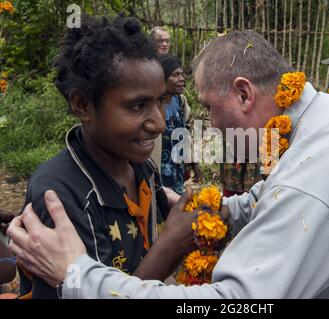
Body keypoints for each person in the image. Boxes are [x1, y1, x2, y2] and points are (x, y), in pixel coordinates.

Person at [8, 30, 329, 298]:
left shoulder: (322, 159)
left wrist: (77, 274)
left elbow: (241, 300)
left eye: (207, 107)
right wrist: (216, 210)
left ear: (243, 94)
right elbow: (269, 198)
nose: (164, 124)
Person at [11, 14, 197, 299]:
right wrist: (172, 243)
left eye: (160, 101)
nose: (159, 123)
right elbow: (92, 290)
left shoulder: (141, 167)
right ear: (83, 105)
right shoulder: (60, 196)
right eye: (137, 105)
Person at [152, 54, 200, 194]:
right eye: (175, 75)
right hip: (157, 169)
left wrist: (193, 163)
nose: (182, 79)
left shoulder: (180, 101)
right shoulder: (152, 105)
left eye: (182, 74)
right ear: (162, 79)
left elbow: (184, 132)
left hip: (176, 169)